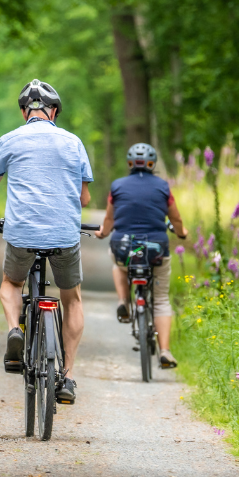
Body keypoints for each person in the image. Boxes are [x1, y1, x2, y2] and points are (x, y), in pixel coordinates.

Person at [0, 79, 93, 403]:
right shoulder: (73, 142)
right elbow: (85, 196)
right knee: (73, 299)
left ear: (25, 111)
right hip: (65, 234)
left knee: (11, 283)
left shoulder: (9, 140)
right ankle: (67, 376)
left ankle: (14, 330)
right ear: (54, 111)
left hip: (22, 233)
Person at [95, 143, 188, 368]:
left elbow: (109, 220)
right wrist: (182, 232)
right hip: (156, 249)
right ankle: (165, 351)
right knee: (162, 299)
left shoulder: (117, 186)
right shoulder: (163, 187)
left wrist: (103, 233)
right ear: (152, 163)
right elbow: (175, 218)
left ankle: (124, 301)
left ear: (129, 163)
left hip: (124, 248)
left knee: (117, 263)